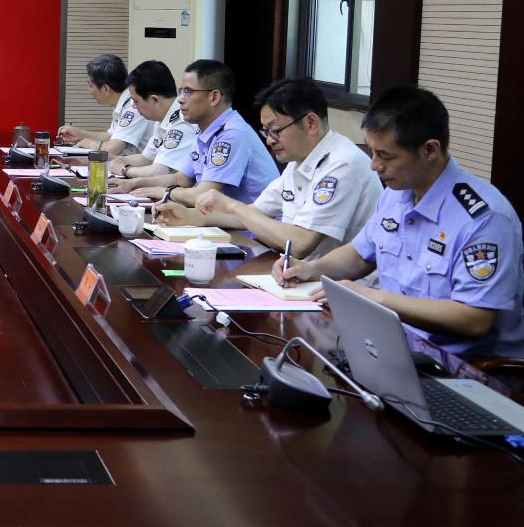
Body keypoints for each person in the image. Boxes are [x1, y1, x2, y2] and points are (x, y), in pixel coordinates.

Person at [275, 86, 524, 359]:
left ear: (430, 150)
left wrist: (375, 298)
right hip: (394, 346)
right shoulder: (397, 194)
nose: (374, 166)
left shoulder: (484, 218)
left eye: (386, 156)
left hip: (462, 367)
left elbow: (475, 318)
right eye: (372, 152)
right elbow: (360, 255)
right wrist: (311, 269)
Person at [154, 78, 383, 258]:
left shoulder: (341, 163)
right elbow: (253, 213)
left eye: (275, 130)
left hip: (337, 288)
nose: (270, 140)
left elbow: (300, 243)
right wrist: (190, 216)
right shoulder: (298, 162)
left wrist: (232, 205)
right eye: (266, 131)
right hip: (301, 276)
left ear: (311, 123)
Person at [126, 59, 278, 206]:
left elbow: (203, 196)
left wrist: (164, 192)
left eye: (188, 92)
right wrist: (133, 184)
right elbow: (181, 179)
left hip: (248, 223)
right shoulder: (205, 129)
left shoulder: (232, 134)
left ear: (214, 97)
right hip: (222, 219)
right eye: (181, 91)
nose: (180, 99)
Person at [106, 60, 198, 181]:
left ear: (154, 100)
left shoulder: (182, 121)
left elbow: (159, 171)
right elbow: (146, 159)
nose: (133, 106)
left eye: (136, 101)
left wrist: (125, 169)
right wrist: (113, 160)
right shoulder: (162, 119)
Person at [57, 54, 153, 155]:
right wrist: (80, 134)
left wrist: (89, 143)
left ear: (106, 89)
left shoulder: (133, 107)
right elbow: (110, 135)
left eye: (91, 85)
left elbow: (113, 149)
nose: (89, 91)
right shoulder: (123, 102)